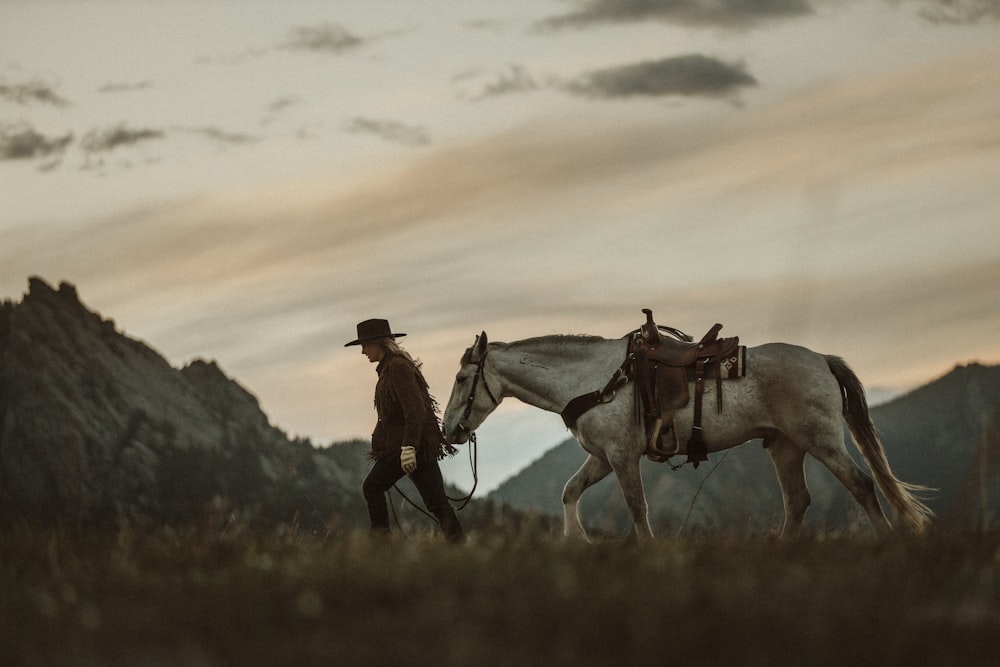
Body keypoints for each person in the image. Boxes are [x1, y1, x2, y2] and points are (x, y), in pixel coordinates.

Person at [346, 318, 464, 542]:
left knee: (372, 487)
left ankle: (381, 544)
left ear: (379, 343)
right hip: (416, 446)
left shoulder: (398, 367)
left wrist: (409, 446)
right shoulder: (391, 367)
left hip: (409, 447)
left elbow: (415, 409)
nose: (362, 351)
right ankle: (459, 545)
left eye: (365, 345)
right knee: (437, 503)